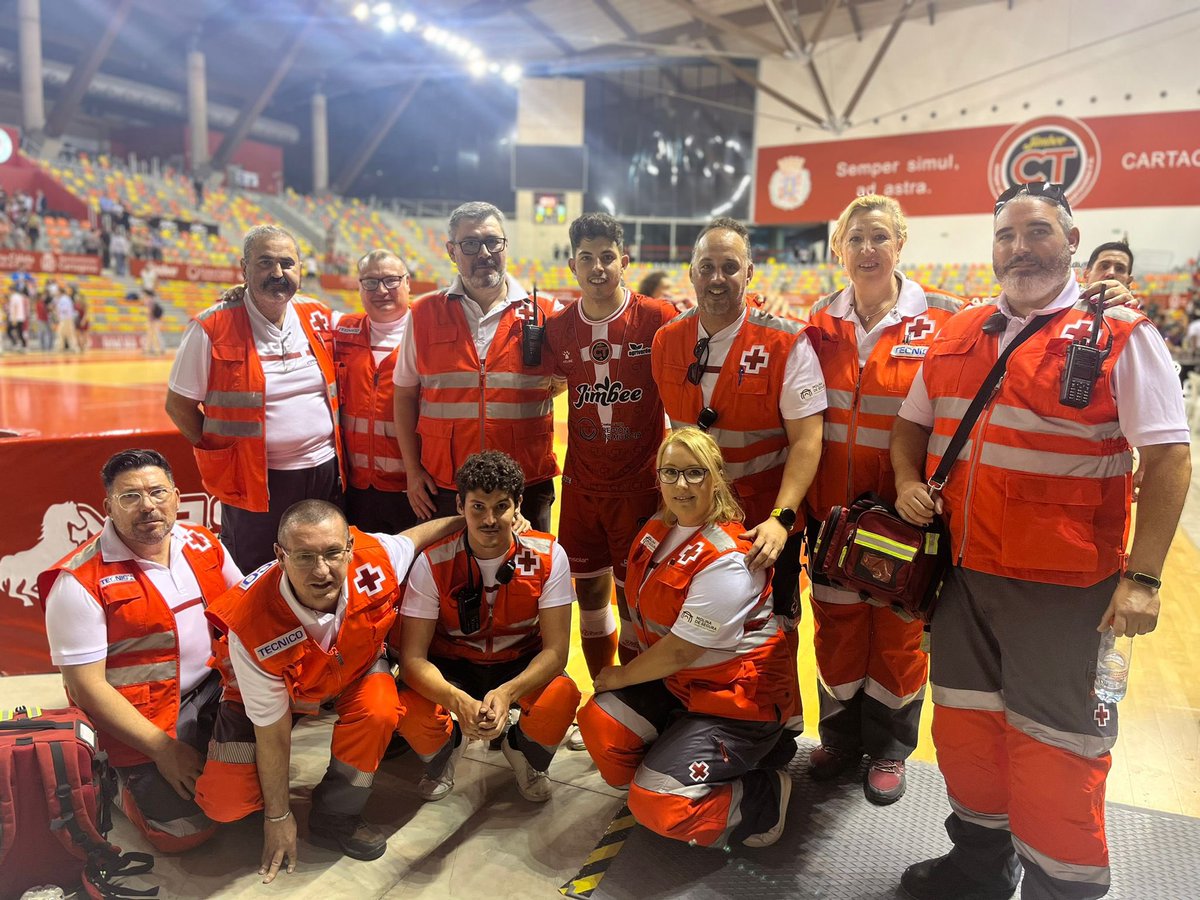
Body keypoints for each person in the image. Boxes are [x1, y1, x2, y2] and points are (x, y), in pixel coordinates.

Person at [891, 182, 1191, 900]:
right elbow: (911, 427)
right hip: (964, 580)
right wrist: (907, 478)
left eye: (1038, 232)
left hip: (1066, 591)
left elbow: (1171, 457)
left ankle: (1064, 888)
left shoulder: (1124, 335)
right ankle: (979, 866)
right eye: (1006, 236)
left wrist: (1143, 579)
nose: (1020, 248)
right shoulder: (959, 329)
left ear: (1072, 242)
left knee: (1058, 749)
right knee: (967, 731)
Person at [193, 500, 461, 880]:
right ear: (279, 555)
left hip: (353, 673)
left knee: (381, 708)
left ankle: (337, 815)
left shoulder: (376, 557)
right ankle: (226, 760)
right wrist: (279, 816)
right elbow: (274, 732)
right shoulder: (253, 626)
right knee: (224, 805)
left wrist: (471, 517)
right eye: (304, 556)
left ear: (350, 547)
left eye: (333, 553)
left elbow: (417, 536)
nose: (322, 571)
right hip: (274, 696)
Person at [803, 195, 964, 804]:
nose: (866, 250)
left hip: (908, 517)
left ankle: (891, 749)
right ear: (838, 248)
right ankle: (840, 739)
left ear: (901, 243)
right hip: (834, 515)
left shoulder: (948, 317)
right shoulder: (819, 318)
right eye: (855, 238)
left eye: (879, 237)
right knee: (838, 630)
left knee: (898, 635)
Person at [577, 427, 798, 849]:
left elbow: (682, 648)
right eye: (670, 472)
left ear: (716, 476)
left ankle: (763, 797)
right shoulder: (660, 529)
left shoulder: (731, 558)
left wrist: (618, 677)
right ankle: (667, 784)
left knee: (660, 805)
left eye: (695, 473)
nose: (681, 484)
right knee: (600, 722)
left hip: (737, 705)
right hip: (684, 689)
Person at [651, 216, 825, 720]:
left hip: (762, 525)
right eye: (708, 266)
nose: (718, 277)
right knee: (692, 622)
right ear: (692, 273)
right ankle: (697, 720)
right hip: (694, 523)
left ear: (749, 272)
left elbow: (807, 441)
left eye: (730, 266)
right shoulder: (667, 342)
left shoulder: (787, 343)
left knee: (771, 628)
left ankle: (777, 727)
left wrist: (783, 518)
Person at [39, 449, 243, 852]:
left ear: (176, 496)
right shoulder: (79, 581)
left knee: (247, 801)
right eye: (130, 496)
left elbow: (244, 614)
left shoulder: (202, 542)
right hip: (145, 721)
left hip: (215, 693)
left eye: (157, 492)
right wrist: (164, 751)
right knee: (183, 834)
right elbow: (85, 689)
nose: (147, 505)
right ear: (108, 507)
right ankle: (114, 783)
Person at [396, 450, 580, 803]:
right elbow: (413, 659)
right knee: (407, 703)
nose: (490, 518)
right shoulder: (432, 561)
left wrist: (508, 692)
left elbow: (556, 652)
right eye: (478, 506)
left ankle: (522, 751)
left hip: (518, 662)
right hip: (454, 666)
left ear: (518, 506)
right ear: (460, 506)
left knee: (563, 696)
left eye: (501, 506)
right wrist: (457, 700)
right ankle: (447, 750)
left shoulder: (548, 555)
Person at [165, 224, 346, 573]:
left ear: (301, 271)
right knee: (256, 575)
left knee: (320, 571)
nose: (277, 273)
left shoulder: (318, 316)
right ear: (244, 269)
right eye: (265, 263)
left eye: (286, 263)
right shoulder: (211, 327)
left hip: (325, 475)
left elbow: (377, 325)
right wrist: (222, 453)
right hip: (255, 483)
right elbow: (178, 405)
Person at [544, 214, 678, 687]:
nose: (597, 267)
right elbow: (551, 386)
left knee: (636, 596)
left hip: (640, 488)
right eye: (586, 258)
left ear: (624, 260)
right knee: (590, 596)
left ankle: (634, 695)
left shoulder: (659, 318)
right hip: (581, 488)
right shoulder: (558, 328)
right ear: (572, 266)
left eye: (606, 257)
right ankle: (603, 690)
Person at [393, 202, 560, 532]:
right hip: (444, 486)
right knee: (443, 579)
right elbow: (404, 396)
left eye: (492, 242)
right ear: (452, 251)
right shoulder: (423, 313)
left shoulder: (548, 312)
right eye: (470, 243)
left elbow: (564, 380)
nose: (483, 252)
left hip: (526, 485)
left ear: (505, 247)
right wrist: (412, 471)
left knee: (527, 580)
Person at [334, 249, 416, 533]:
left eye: (391, 280)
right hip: (354, 489)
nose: (381, 290)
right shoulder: (341, 330)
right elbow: (294, 310)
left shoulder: (428, 333)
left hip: (412, 488)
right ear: (359, 287)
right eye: (370, 282)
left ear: (408, 283)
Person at [53, 282, 79, 352]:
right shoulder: (66, 298)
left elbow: (65, 309)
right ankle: (74, 348)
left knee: (61, 334)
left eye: (57, 291)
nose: (56, 293)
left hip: (65, 319)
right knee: (69, 335)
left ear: (60, 292)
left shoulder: (64, 299)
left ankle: (60, 348)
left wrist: (57, 311)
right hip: (68, 319)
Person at [7, 281, 28, 351]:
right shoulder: (19, 296)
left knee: (9, 331)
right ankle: (23, 346)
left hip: (16, 318)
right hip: (20, 317)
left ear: (12, 290)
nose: (9, 292)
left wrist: (14, 319)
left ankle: (17, 344)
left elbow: (15, 307)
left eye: (9, 290)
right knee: (19, 332)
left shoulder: (14, 297)